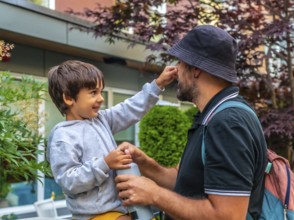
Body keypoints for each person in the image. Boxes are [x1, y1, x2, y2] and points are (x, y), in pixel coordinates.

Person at [115, 25, 268, 220]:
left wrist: (154, 195)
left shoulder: (228, 123)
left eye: (181, 63)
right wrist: (144, 163)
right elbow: (183, 184)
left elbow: (228, 216)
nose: (177, 70)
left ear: (195, 69)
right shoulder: (212, 117)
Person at [46, 60, 177, 220]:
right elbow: (68, 180)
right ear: (68, 98)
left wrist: (157, 85)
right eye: (93, 93)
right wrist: (105, 163)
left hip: (123, 207)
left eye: (101, 92)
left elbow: (129, 109)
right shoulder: (63, 136)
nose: (101, 98)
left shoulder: (100, 120)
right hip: (95, 214)